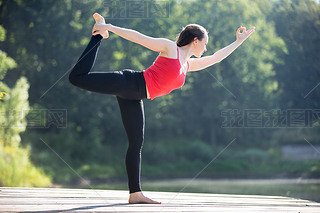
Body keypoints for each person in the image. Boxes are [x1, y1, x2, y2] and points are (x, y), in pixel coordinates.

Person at [69, 13, 255, 204]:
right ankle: (98, 35)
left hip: (135, 96)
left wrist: (238, 42)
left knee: (136, 143)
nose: (206, 48)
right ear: (195, 40)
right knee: (76, 78)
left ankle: (135, 194)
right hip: (128, 82)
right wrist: (107, 27)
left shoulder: (187, 65)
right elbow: (138, 37)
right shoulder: (170, 49)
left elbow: (216, 58)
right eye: (205, 43)